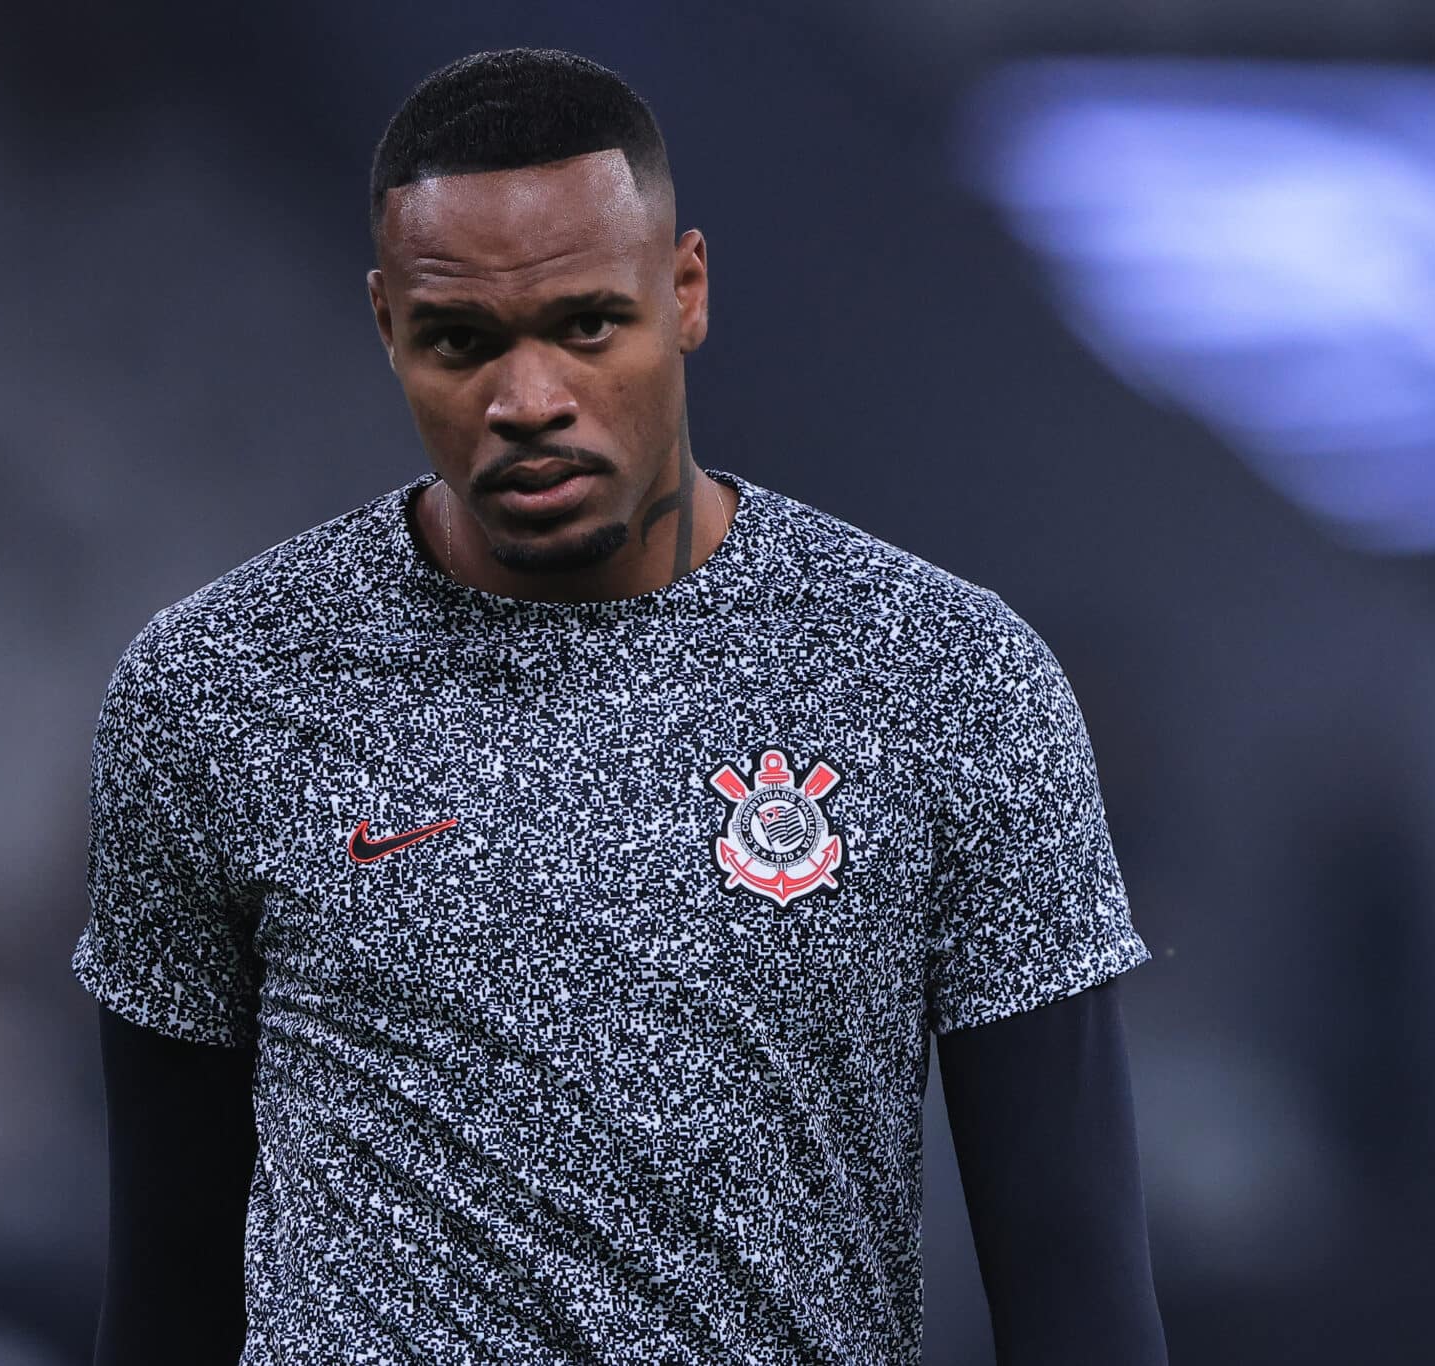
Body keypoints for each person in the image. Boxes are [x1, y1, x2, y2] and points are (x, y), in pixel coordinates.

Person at [76, 47, 1169, 1366]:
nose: (527, 400)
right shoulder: (218, 685)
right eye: (460, 342)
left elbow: (1077, 1289)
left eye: (588, 324)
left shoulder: (946, 678)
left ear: (687, 291)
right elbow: (166, 1287)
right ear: (386, 323)